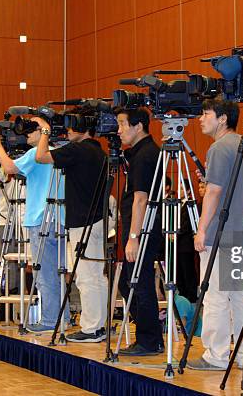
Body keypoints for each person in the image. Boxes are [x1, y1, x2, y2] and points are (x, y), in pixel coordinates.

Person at [187, 97, 243, 371]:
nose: (200, 119)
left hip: (221, 234)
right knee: (240, 298)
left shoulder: (218, 148)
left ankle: (215, 355)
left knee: (215, 296)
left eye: (205, 113)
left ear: (222, 118)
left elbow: (214, 192)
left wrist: (201, 229)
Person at [35, 106, 109, 343]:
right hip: (97, 219)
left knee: (87, 277)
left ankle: (91, 328)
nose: (66, 129)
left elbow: (41, 157)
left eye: (70, 124)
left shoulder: (77, 150)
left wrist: (45, 131)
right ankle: (97, 325)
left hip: (83, 221)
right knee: (96, 276)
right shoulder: (98, 151)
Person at [0, 124, 68, 333]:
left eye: (31, 130)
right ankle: (63, 317)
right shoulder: (58, 152)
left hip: (40, 217)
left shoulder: (36, 154)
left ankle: (51, 320)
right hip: (59, 217)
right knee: (58, 272)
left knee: (45, 274)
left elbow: (10, 169)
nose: (26, 134)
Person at [116, 107, 164, 356]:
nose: (119, 130)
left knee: (138, 283)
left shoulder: (146, 155)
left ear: (139, 126)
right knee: (130, 283)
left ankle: (149, 340)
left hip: (143, 230)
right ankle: (151, 335)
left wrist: (134, 237)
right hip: (142, 229)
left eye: (123, 124)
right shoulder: (140, 153)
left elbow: (140, 200)